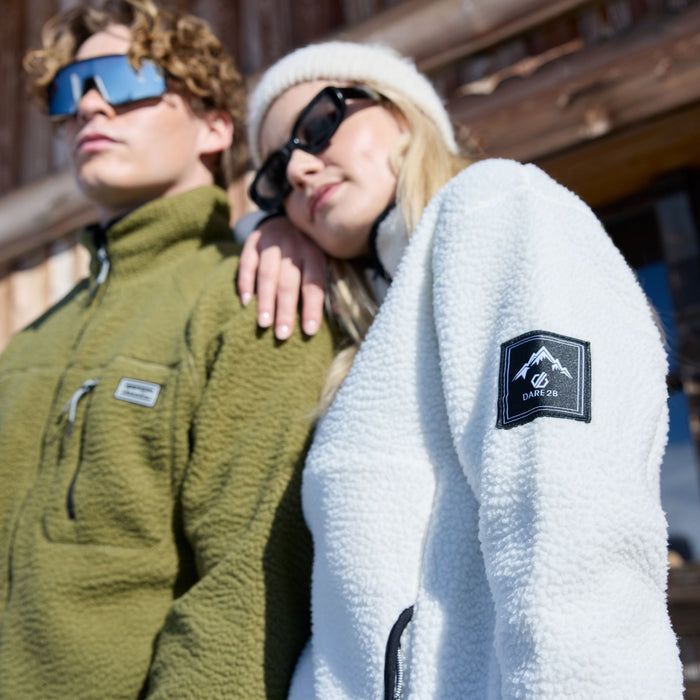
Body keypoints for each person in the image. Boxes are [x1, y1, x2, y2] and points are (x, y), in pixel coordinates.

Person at [240, 41, 684, 698]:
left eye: (319, 124)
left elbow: (567, 512)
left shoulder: (496, 208)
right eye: (275, 178)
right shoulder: (374, 342)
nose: (301, 168)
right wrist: (261, 230)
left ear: (403, 112)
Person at [0, 2, 334, 698]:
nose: (89, 105)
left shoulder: (257, 297)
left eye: (124, 79)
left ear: (215, 126)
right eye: (70, 90)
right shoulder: (27, 344)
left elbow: (246, 584)